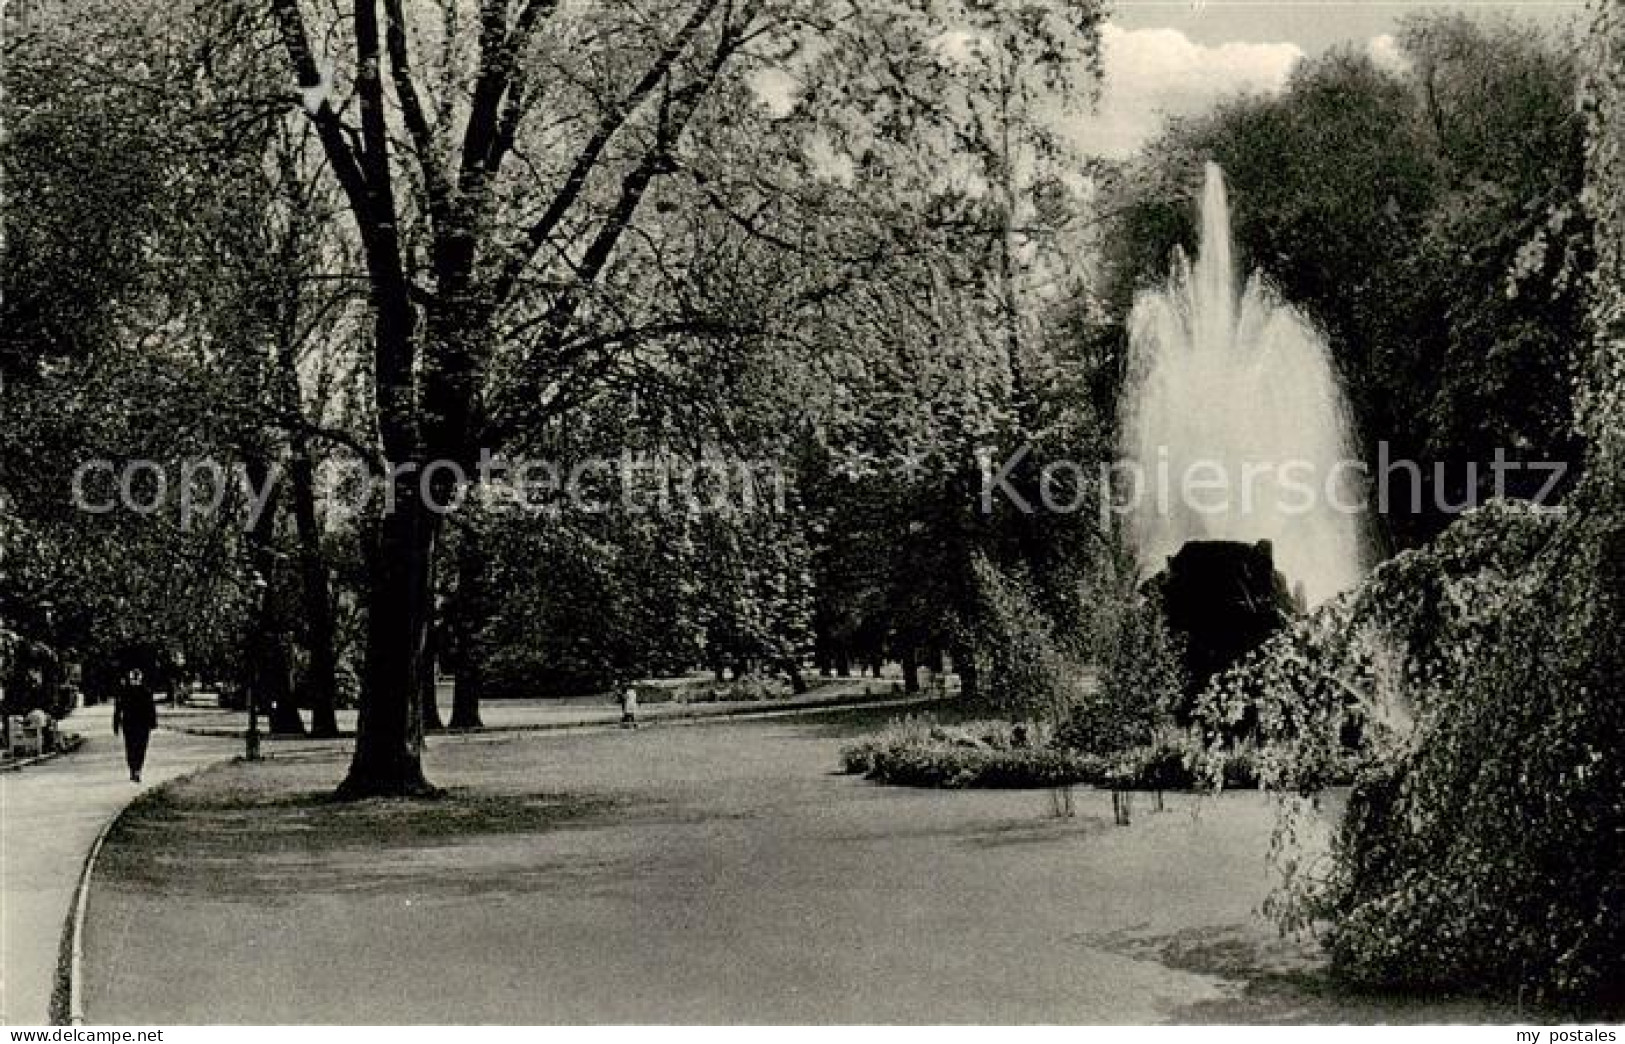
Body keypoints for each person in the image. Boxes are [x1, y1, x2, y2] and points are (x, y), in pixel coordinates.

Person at [112, 668, 157, 783]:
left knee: (137, 747)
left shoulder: (144, 691)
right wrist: (116, 724)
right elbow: (118, 709)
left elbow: (151, 708)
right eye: (134, 678)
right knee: (134, 747)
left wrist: (153, 722)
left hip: (139, 724)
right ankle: (135, 769)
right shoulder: (127, 691)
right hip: (133, 724)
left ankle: (136, 769)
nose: (135, 681)